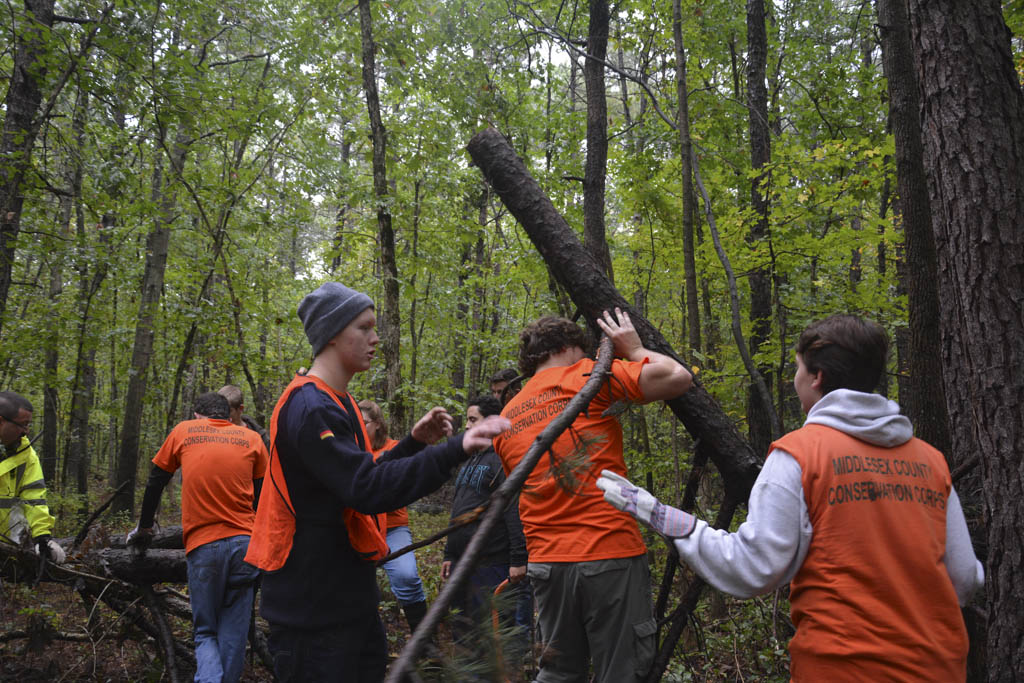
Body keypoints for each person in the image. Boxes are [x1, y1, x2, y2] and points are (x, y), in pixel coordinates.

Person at [598, 314, 985, 681]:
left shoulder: (799, 453)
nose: (794, 380)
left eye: (798, 369)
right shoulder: (930, 460)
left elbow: (753, 568)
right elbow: (965, 579)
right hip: (939, 666)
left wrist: (658, 514)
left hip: (841, 667)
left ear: (817, 377)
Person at [244, 282, 509, 683]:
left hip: (345, 598)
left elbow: (359, 472)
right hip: (313, 609)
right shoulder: (310, 407)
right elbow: (366, 489)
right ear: (332, 334)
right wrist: (456, 448)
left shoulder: (339, 400)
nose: (376, 338)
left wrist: (413, 444)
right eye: (364, 328)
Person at [493, 308, 692, 682]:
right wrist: (633, 349)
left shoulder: (507, 417)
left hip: (547, 565)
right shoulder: (587, 376)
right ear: (569, 347)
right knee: (621, 671)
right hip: (608, 553)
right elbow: (677, 377)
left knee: (557, 673)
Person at [127, 391, 269, 683]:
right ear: (229, 415)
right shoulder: (252, 439)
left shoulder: (184, 431)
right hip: (246, 545)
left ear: (197, 416)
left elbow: (156, 480)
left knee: (205, 630)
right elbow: (263, 495)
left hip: (205, 546)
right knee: (234, 631)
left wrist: (144, 528)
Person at [442, 395, 528, 661]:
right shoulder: (468, 461)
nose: (467, 426)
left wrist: (518, 559)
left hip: (491, 563)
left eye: (472, 420)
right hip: (461, 563)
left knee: (490, 635)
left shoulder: (503, 459)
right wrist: (449, 553)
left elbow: (513, 509)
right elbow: (459, 509)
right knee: (463, 629)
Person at [357, 398, 430, 635]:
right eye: (355, 422)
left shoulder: (395, 448)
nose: (359, 427)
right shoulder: (350, 450)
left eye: (364, 422)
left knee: (406, 575)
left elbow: (402, 485)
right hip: (358, 527)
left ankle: (424, 643)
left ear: (377, 424)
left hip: (392, 528)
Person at [0, 391, 65, 564]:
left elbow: (35, 499)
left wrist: (42, 537)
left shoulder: (27, 456)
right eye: (23, 424)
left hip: (6, 549)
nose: (26, 431)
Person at [217, 384, 270, 450]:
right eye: (219, 409)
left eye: (228, 411)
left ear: (240, 409)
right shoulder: (213, 432)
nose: (222, 414)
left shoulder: (259, 436)